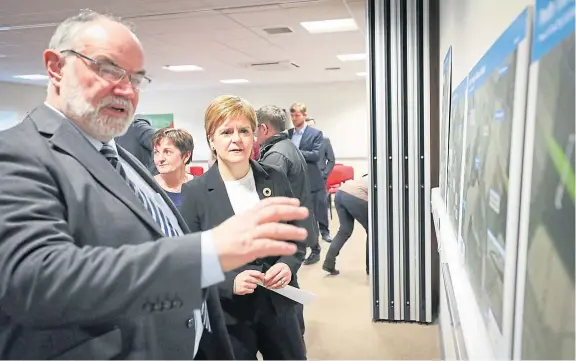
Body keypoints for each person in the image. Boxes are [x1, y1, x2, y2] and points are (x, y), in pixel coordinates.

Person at [0, 10, 309, 360]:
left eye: (135, 79)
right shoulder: (15, 153)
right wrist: (210, 253)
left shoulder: (123, 160)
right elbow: (36, 281)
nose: (126, 89)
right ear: (56, 67)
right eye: (108, 69)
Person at [180, 95, 307, 360]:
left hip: (279, 304)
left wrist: (287, 264)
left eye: (244, 131)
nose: (236, 139)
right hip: (229, 312)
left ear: (254, 137)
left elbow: (295, 237)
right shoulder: (195, 192)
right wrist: (230, 281)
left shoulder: (275, 178)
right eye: (226, 131)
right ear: (211, 140)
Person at [255, 105, 318, 339]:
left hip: (286, 232)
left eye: (251, 130)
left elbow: (267, 198)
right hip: (297, 226)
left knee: (285, 287)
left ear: (263, 128)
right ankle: (295, 331)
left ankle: (293, 333)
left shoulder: (275, 155)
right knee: (290, 284)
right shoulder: (287, 146)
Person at [288, 102, 325, 265]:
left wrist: (294, 152)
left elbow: (316, 155)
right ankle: (299, 250)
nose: (294, 118)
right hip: (292, 182)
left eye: (297, 115)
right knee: (295, 218)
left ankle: (315, 249)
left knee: (310, 217)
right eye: (292, 115)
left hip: (310, 181)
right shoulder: (288, 134)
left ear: (304, 115)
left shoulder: (315, 133)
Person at [322, 175, 370, 275]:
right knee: (372, 232)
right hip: (355, 196)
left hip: (341, 193)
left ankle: (328, 263)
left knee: (344, 230)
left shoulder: (368, 175)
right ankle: (370, 268)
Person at [305, 118, 335, 242]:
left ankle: (325, 232)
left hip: (320, 179)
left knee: (321, 207)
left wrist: (325, 174)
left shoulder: (324, 140)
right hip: (305, 180)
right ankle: (310, 236)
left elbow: (331, 160)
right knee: (307, 209)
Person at [152, 127, 195, 209]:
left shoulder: (200, 188)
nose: (160, 159)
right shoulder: (147, 187)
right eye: (156, 152)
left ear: (186, 156)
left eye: (167, 152)